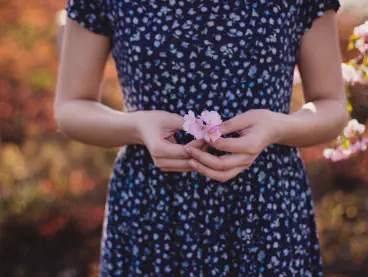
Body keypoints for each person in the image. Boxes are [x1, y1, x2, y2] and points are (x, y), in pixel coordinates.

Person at [54, 0, 348, 276]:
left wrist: (277, 127)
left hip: (265, 209)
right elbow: (70, 107)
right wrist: (136, 126)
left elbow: (331, 106)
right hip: (152, 209)